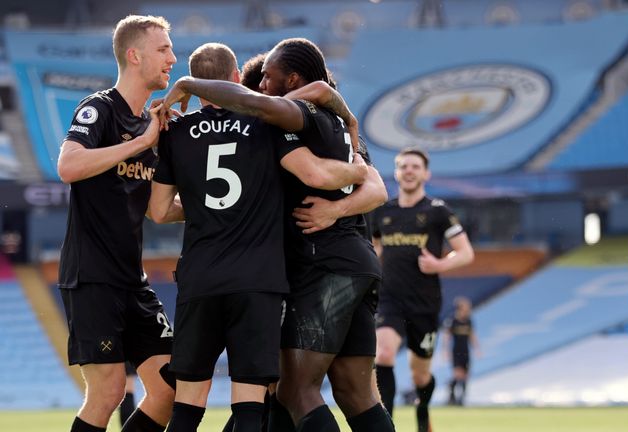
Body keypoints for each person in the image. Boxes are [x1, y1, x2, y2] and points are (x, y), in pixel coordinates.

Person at [153, 42, 370, 432]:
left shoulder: (175, 131)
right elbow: (316, 174)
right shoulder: (265, 125)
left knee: (187, 405)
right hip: (260, 279)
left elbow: (159, 211)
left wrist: (203, 203)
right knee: (257, 403)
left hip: (201, 277)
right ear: (238, 80)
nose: (263, 86)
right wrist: (357, 171)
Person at [56, 15, 178, 432]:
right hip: (92, 276)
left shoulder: (153, 123)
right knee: (108, 393)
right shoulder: (99, 109)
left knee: (169, 388)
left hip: (132, 279)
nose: (172, 59)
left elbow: (157, 210)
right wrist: (143, 143)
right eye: (163, 50)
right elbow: (68, 166)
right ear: (134, 54)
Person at [370, 148, 475, 432]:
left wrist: (439, 264)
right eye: (403, 166)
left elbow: (466, 253)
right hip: (389, 298)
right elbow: (375, 246)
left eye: (415, 166)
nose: (409, 170)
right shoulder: (384, 211)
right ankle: (386, 425)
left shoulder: (438, 211)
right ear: (396, 172)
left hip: (424, 303)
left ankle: (423, 411)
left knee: (420, 375)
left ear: (425, 173)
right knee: (384, 354)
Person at [442, 297, 479, 406]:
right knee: (458, 375)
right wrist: (445, 351)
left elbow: (472, 336)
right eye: (466, 308)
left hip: (466, 351)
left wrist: (477, 349)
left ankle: (461, 399)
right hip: (456, 352)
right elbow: (446, 337)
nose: (468, 310)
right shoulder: (452, 321)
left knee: (465, 376)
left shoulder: (469, 321)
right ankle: (451, 396)